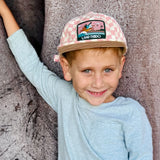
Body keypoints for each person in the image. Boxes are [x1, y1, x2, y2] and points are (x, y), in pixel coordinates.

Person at [0, 0, 153, 159]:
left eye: (108, 70)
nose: (98, 83)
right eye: (87, 71)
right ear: (66, 68)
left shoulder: (131, 113)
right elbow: (31, 65)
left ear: (120, 67)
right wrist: (4, 11)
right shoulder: (65, 97)